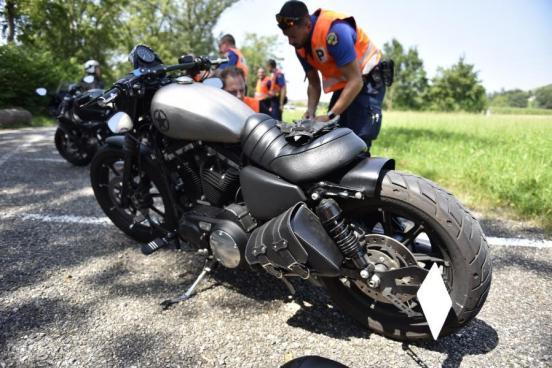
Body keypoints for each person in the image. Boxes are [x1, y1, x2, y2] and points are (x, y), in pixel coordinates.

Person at [276, 1, 391, 151]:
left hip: (367, 79)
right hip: (347, 84)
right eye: (287, 37)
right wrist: (310, 112)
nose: (290, 42)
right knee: (334, 136)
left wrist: (330, 115)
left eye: (292, 36)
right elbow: (313, 83)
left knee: (357, 140)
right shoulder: (300, 47)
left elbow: (355, 80)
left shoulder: (335, 32)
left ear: (306, 24)